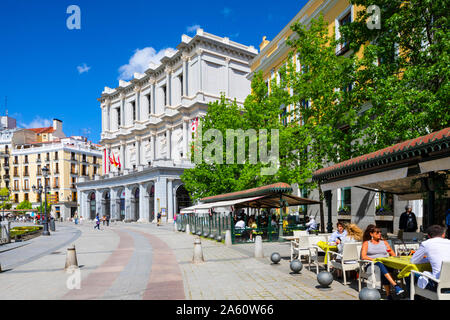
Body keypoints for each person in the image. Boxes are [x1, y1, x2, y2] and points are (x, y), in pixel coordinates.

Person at [361, 224, 404, 298]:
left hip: (385, 264)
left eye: (380, 232)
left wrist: (393, 258)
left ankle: (389, 295)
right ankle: (395, 286)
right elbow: (363, 256)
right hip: (372, 264)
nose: (380, 234)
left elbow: (392, 254)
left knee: (384, 268)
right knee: (380, 264)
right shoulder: (366, 243)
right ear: (371, 234)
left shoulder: (384, 242)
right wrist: (375, 259)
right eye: (377, 233)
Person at [410, 224, 450, 293]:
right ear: (443, 235)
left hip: (439, 285)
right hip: (446, 283)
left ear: (428, 236)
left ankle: (414, 296)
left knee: (410, 274)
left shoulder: (426, 243)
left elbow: (413, 261)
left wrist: (427, 259)